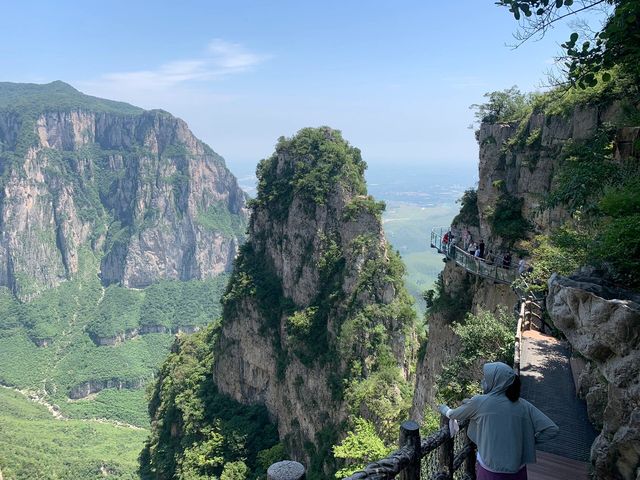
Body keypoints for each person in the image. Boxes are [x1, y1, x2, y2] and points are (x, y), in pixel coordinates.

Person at [438, 362, 558, 480]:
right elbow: (552, 429)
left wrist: (445, 409)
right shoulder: (523, 405)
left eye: (486, 379)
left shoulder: (480, 402)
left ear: (496, 382)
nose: (484, 381)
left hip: (490, 469)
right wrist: (528, 441)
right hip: (517, 468)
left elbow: (454, 414)